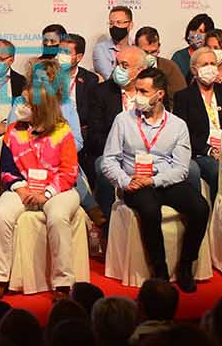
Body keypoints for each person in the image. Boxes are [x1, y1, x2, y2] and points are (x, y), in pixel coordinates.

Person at [101, 68, 208, 292]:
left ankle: (186, 265)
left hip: (164, 180)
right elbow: (108, 160)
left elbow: (181, 169)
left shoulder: (177, 125)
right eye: (136, 90)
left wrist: (154, 181)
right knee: (150, 210)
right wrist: (125, 181)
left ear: (159, 94)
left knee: (200, 207)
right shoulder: (123, 120)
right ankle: (160, 270)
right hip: (134, 182)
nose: (137, 96)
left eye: (143, 91)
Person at [0, 61, 81, 300]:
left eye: (27, 104)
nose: (22, 107)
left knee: (58, 217)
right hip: (23, 188)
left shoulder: (62, 131)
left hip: (58, 190)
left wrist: (46, 194)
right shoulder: (14, 131)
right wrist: (21, 189)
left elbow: (69, 171)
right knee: (1, 215)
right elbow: (7, 169)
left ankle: (62, 283)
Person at [83, 46, 150, 210]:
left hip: (149, 153)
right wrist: (121, 151)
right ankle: (108, 219)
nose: (118, 69)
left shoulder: (151, 91)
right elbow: (95, 135)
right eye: (117, 64)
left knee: (190, 170)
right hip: (114, 153)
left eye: (124, 65)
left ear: (140, 70)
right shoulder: (101, 92)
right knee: (103, 166)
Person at [175, 46, 222, 202]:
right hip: (202, 152)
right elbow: (183, 134)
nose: (210, 68)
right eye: (205, 64)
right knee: (217, 170)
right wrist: (210, 150)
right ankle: (216, 213)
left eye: (213, 63)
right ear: (194, 70)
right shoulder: (183, 97)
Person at [134, 26, 187, 99]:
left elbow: (181, 97)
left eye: (153, 52)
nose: (149, 56)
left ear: (159, 48)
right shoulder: (129, 67)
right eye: (145, 52)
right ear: (136, 48)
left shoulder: (169, 67)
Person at [92, 5, 134, 79]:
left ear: (130, 25)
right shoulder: (101, 49)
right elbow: (109, 78)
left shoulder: (136, 46)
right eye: (111, 23)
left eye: (119, 22)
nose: (114, 26)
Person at [172, 12, 215, 78]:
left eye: (201, 31)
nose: (196, 34)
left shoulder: (213, 56)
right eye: (193, 30)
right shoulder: (179, 57)